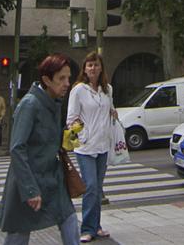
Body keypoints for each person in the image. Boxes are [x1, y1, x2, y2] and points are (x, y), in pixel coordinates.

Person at [0, 54, 79, 245]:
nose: (67, 83)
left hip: (52, 178)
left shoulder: (55, 102)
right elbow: (17, 148)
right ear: (47, 80)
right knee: (19, 232)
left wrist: (69, 136)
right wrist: (30, 190)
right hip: (28, 179)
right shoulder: (30, 104)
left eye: (68, 77)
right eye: (61, 78)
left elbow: (52, 140)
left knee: (69, 219)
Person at [66, 52, 116, 242]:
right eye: (89, 65)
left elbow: (109, 109)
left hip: (103, 145)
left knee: (98, 187)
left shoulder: (108, 89)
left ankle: (97, 225)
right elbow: (71, 118)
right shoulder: (78, 90)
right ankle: (87, 228)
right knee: (91, 187)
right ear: (84, 69)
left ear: (101, 67)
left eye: (95, 65)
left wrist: (113, 114)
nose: (93, 68)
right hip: (86, 147)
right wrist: (82, 134)